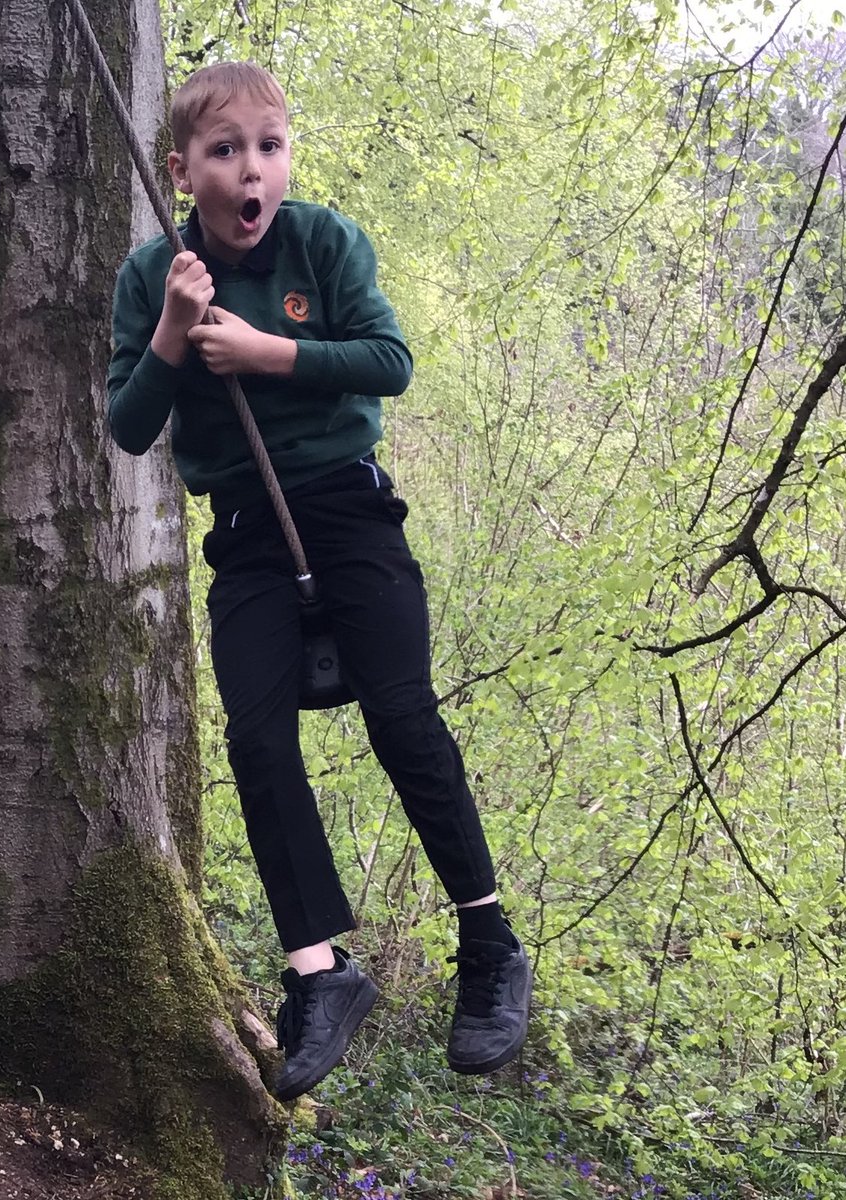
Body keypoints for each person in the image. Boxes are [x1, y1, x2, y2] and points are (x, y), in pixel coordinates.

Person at [107, 61, 530, 1102]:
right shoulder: (154, 271)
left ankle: (490, 946)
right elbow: (127, 425)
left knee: (403, 718)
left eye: (269, 146)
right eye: (225, 152)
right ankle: (321, 975)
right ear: (183, 170)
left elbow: (388, 361)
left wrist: (267, 351)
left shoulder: (323, 242)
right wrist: (171, 330)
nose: (253, 170)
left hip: (349, 508)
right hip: (246, 533)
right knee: (256, 736)